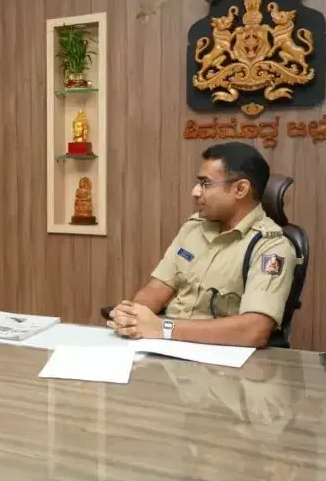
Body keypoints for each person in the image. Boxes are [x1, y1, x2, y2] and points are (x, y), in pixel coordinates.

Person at [107, 142, 297, 348]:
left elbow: (254, 330)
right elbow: (157, 287)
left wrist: (164, 328)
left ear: (240, 189)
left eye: (206, 183)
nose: (195, 191)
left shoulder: (271, 247)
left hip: (218, 358)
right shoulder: (194, 227)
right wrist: (133, 316)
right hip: (164, 346)